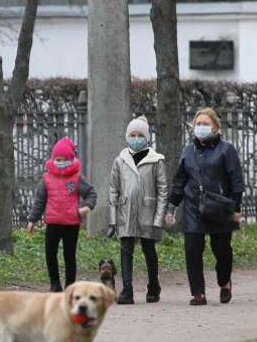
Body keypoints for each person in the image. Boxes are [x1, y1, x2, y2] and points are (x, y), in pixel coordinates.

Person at [165, 108, 245, 305]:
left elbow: (236, 182)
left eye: (205, 124)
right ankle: (198, 293)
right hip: (194, 207)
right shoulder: (187, 151)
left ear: (216, 127)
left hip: (219, 207)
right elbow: (179, 181)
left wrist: (235, 209)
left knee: (222, 250)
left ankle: (224, 282)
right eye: (198, 123)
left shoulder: (226, 149)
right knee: (192, 250)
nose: (201, 127)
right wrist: (171, 207)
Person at [106, 116, 169, 305]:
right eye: (132, 135)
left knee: (149, 250)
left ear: (146, 137)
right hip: (126, 211)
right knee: (126, 250)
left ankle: (153, 285)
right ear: (127, 136)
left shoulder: (156, 160)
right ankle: (127, 290)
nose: (136, 138)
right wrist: (112, 219)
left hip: (147, 212)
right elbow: (113, 190)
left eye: (139, 135)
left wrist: (158, 219)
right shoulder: (120, 160)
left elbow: (163, 190)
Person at [27, 137, 97, 292]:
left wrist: (86, 208)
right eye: (57, 159)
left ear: (71, 159)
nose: (60, 162)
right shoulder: (46, 178)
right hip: (53, 222)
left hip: (71, 223)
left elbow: (91, 193)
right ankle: (55, 283)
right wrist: (32, 219)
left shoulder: (77, 178)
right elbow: (40, 200)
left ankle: (70, 286)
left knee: (69, 255)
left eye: (64, 159)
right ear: (52, 159)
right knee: (50, 254)